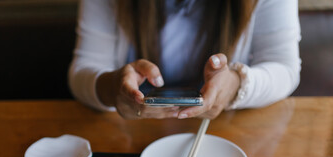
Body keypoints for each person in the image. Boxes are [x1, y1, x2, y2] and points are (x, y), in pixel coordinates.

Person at [68, 0, 300, 120]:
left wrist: (236, 84)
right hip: (132, 130)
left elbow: (285, 68)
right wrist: (114, 89)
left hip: (224, 132)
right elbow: (82, 71)